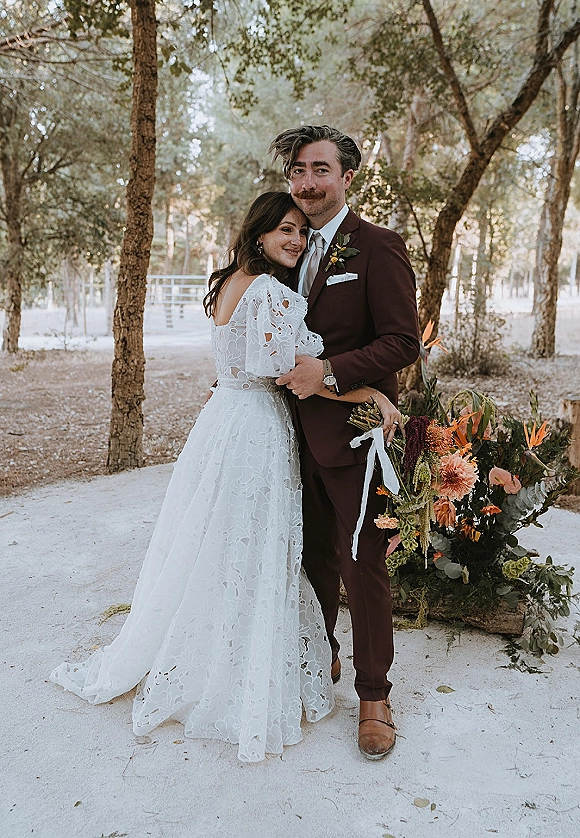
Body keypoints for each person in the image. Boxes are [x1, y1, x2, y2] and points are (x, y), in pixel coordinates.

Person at [50, 191, 401, 763]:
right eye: (283, 230)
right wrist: (371, 396)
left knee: (217, 543)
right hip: (258, 428)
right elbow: (294, 372)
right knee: (258, 549)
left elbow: (242, 361)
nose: (295, 239)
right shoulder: (270, 293)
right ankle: (243, 671)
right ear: (258, 234)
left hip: (224, 424)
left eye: (300, 232)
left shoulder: (229, 284)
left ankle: (217, 650)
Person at [269, 126, 421, 760]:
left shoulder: (378, 248)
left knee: (364, 569)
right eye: (299, 171)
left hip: (355, 438)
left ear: (346, 176)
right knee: (308, 558)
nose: (308, 182)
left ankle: (373, 695)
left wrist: (331, 376)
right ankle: (319, 658)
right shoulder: (283, 248)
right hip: (284, 438)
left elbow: (401, 341)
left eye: (320, 169)